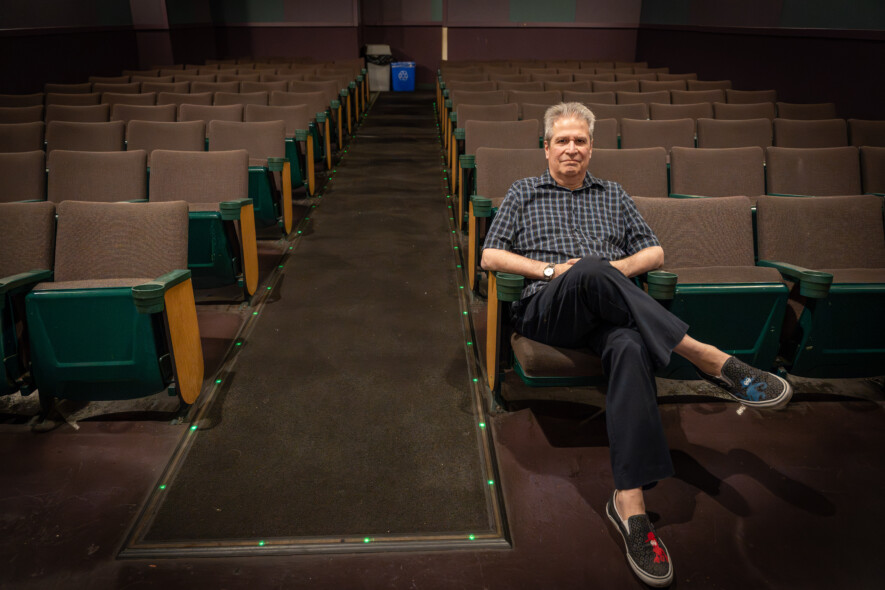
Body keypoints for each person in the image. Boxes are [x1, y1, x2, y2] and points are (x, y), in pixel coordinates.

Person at [481, 102, 792, 587]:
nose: (571, 149)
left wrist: (613, 272)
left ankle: (630, 505)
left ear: (591, 149)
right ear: (546, 148)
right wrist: (550, 270)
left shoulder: (613, 193)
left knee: (627, 345)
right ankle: (707, 356)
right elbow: (489, 255)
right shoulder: (523, 191)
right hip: (549, 307)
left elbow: (654, 250)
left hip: (608, 309)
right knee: (586, 268)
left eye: (580, 141)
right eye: (561, 140)